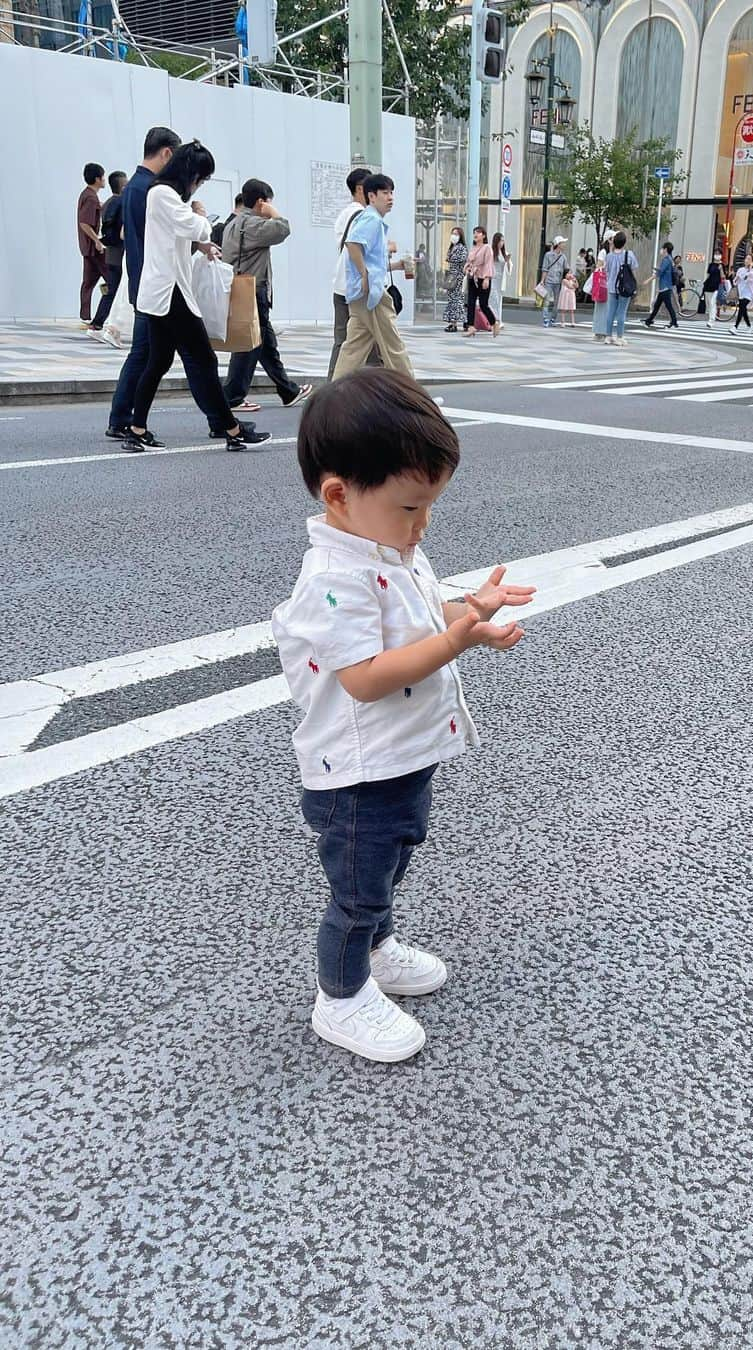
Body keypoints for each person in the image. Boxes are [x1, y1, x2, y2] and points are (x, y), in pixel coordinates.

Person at [270, 370, 535, 1062]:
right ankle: (342, 997)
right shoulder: (335, 579)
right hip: (355, 774)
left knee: (386, 869)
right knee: (355, 892)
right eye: (411, 507)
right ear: (339, 495)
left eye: (429, 509)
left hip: (398, 759)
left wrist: (469, 610)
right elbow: (365, 678)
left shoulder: (383, 548)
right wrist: (456, 640)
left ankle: (378, 951)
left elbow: (420, 620)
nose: (422, 526)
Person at [125, 141, 270, 452]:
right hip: (170, 291)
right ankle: (232, 429)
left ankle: (137, 428)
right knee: (204, 358)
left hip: (163, 291)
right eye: (201, 179)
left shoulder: (162, 194)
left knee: (159, 361)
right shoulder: (162, 194)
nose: (199, 185)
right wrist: (202, 218)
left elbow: (178, 235)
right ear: (189, 173)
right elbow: (193, 225)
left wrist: (201, 241)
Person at [105, 127, 183, 440]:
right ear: (166, 153)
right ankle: (123, 417)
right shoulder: (147, 189)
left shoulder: (135, 187)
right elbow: (150, 240)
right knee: (145, 354)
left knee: (146, 353)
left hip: (143, 283)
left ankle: (123, 417)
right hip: (149, 286)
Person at [221, 177, 312, 412]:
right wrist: (273, 212)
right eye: (268, 202)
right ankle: (233, 397)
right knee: (250, 344)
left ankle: (288, 391)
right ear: (260, 202)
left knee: (264, 344)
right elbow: (283, 229)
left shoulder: (235, 222)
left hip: (245, 288)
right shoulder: (251, 224)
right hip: (252, 290)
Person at [334, 173, 413, 379]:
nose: (390, 198)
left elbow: (370, 259)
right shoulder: (371, 219)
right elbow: (352, 244)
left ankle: (333, 396)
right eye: (385, 193)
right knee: (394, 347)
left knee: (353, 349)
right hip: (373, 295)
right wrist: (364, 274)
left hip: (362, 295)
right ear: (371, 196)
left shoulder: (369, 218)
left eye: (392, 192)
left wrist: (392, 266)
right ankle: (414, 398)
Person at [328, 167, 370, 377]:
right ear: (361, 189)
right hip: (358, 287)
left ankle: (329, 391)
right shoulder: (362, 215)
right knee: (377, 341)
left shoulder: (345, 213)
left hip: (341, 284)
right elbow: (357, 247)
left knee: (343, 341)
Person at [87, 170, 128, 345]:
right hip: (120, 252)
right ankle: (109, 327)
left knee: (110, 290)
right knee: (117, 292)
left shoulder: (108, 203)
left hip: (110, 251)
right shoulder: (122, 203)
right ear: (123, 186)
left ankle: (97, 325)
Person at [77, 162, 109, 326]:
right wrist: (97, 241)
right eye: (103, 177)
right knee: (112, 280)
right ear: (97, 179)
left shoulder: (87, 195)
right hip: (94, 249)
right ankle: (100, 317)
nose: (104, 180)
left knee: (89, 282)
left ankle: (86, 316)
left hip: (87, 249)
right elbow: (84, 223)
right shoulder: (90, 197)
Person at [463, 226, 500, 337]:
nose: (476, 234)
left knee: (484, 304)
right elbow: (470, 261)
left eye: (478, 232)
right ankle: (471, 327)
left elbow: (489, 263)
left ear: (483, 235)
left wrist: (487, 278)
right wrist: (467, 267)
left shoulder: (487, 248)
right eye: (474, 232)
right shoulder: (473, 248)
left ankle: (494, 323)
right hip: (472, 277)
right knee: (470, 303)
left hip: (483, 278)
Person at [604, 230, 638, 346]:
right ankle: (619, 337)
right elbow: (633, 271)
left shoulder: (609, 256)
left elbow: (606, 271)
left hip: (612, 287)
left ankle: (608, 336)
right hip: (625, 287)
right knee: (621, 313)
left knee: (610, 312)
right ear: (624, 243)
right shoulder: (629, 255)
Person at [643, 242, 679, 329]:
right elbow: (665, 271)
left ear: (666, 249)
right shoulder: (670, 259)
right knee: (657, 305)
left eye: (662, 248)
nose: (661, 250)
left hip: (665, 286)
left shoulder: (666, 260)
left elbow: (660, 273)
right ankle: (649, 320)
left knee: (668, 305)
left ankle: (674, 322)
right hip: (666, 286)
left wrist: (648, 280)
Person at [539, 235, 570, 328]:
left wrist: (569, 277)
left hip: (558, 282)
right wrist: (542, 280)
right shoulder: (548, 255)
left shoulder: (563, 257)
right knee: (546, 301)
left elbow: (566, 269)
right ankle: (545, 319)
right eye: (563, 243)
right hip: (549, 280)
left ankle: (553, 319)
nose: (564, 245)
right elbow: (545, 269)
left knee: (557, 302)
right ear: (558, 244)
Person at [591, 229, 614, 340]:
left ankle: (605, 331)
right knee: (601, 306)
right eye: (613, 238)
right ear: (609, 240)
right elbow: (598, 267)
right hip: (602, 283)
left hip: (610, 282)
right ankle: (598, 331)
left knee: (608, 308)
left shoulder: (614, 252)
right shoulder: (603, 252)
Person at [444, 228, 467, 332]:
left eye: (456, 234)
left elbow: (461, 259)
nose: (453, 236)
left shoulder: (462, 248)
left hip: (458, 276)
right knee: (451, 299)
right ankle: (452, 322)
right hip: (451, 276)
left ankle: (456, 322)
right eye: (452, 233)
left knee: (457, 300)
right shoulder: (452, 247)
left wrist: (451, 259)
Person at [729, 253, 753, 332]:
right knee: (743, 309)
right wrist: (736, 278)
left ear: (752, 262)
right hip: (741, 293)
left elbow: (751, 278)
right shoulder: (740, 270)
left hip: (749, 293)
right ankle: (749, 325)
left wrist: (749, 269)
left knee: (741, 307)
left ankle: (735, 327)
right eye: (746, 258)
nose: (747, 260)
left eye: (749, 259)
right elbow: (735, 282)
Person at [490, 232, 511, 323]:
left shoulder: (504, 253)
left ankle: (497, 319)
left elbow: (509, 268)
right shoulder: (491, 252)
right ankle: (494, 319)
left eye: (503, 241)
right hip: (492, 277)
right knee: (493, 297)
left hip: (500, 278)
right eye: (500, 240)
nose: (502, 243)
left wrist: (507, 261)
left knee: (498, 298)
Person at [703, 252, 724, 328]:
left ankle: (711, 321)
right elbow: (708, 275)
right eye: (716, 254)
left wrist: (721, 269)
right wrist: (704, 282)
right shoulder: (711, 265)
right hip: (708, 285)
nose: (717, 255)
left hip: (716, 286)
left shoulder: (722, 265)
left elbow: (723, 276)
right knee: (708, 304)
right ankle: (710, 318)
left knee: (712, 303)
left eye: (719, 254)